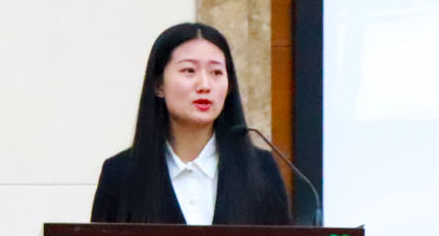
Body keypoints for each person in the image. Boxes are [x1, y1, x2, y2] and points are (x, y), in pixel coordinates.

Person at [90, 22, 291, 225]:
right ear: (158, 85)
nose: (204, 85)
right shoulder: (120, 174)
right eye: (189, 70)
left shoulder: (261, 169)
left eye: (216, 73)